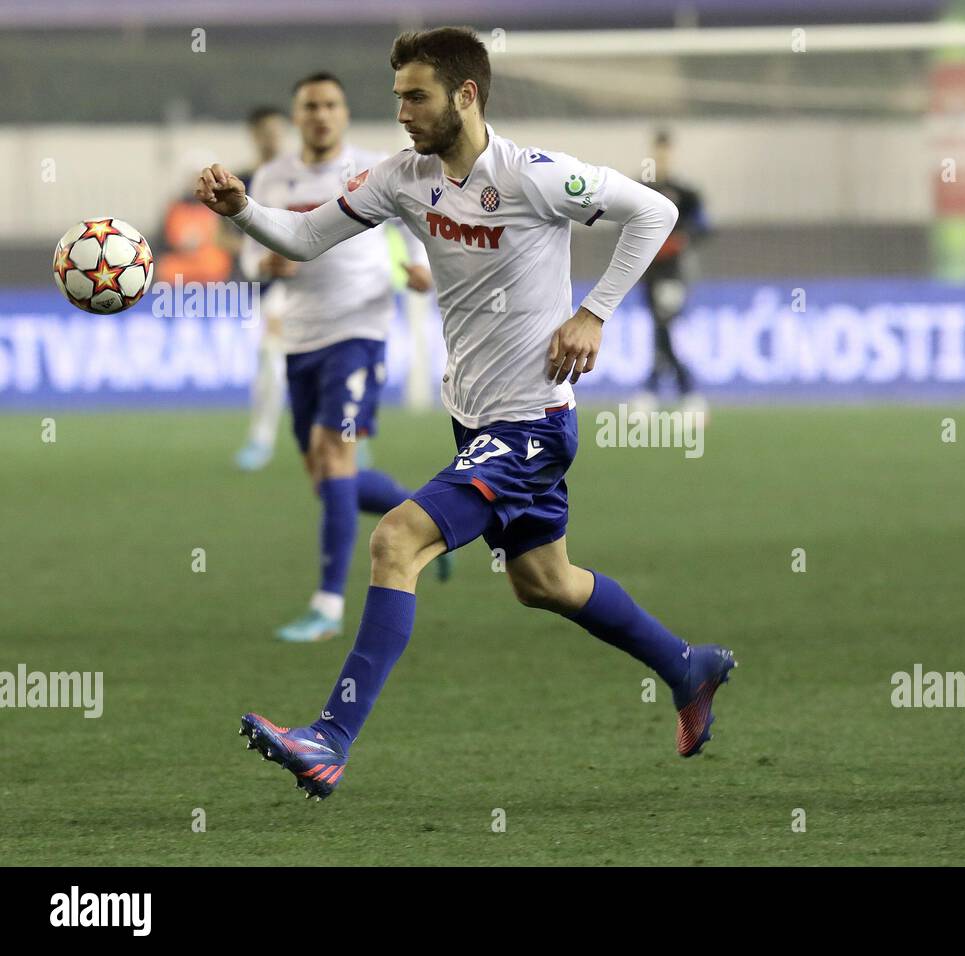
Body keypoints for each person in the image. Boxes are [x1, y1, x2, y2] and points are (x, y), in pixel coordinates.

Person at [196, 28, 736, 799]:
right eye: (398, 98)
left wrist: (595, 313)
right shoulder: (403, 178)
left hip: (531, 424)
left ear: (466, 94)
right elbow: (307, 235)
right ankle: (688, 667)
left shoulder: (535, 176)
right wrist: (243, 208)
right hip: (478, 420)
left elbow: (651, 211)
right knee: (543, 582)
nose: (403, 111)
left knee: (395, 541)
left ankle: (329, 739)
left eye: (416, 96)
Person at [230, 72, 448, 644]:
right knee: (325, 476)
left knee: (335, 454)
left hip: (359, 328)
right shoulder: (273, 176)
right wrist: (262, 268)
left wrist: (426, 265)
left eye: (330, 105)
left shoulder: (375, 168)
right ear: (296, 117)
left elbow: (419, 216)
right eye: (310, 106)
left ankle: (327, 606)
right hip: (299, 337)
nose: (321, 115)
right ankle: (426, 519)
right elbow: (252, 253)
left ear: (344, 114)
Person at [630, 129, 710, 419]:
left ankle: (678, 392)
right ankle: (668, 392)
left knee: (664, 327)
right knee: (659, 328)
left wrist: (679, 241)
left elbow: (703, 226)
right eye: (658, 151)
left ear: (671, 154)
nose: (662, 157)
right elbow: (623, 223)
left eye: (666, 152)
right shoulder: (640, 187)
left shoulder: (684, 191)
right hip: (647, 273)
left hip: (674, 273)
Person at [230, 106, 290, 472]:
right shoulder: (244, 180)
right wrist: (257, 254)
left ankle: (351, 438)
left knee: (338, 363)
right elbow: (223, 234)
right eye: (265, 131)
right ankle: (261, 440)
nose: (272, 137)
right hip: (269, 287)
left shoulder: (299, 174)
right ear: (253, 135)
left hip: (315, 285)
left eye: (277, 130)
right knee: (271, 362)